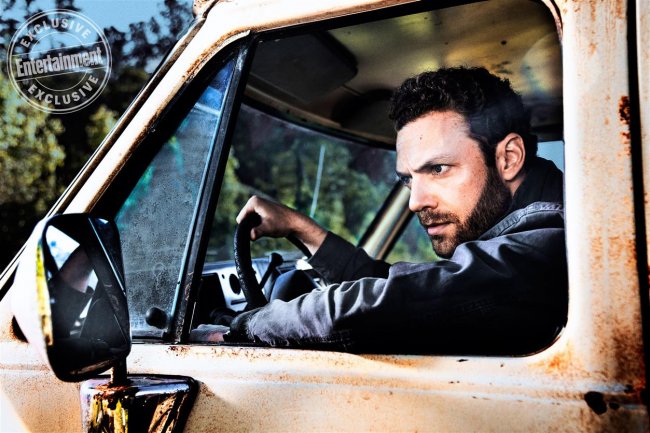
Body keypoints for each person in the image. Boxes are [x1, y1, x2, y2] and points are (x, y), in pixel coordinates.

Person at [207, 66, 567, 354]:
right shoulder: (514, 249)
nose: (415, 202)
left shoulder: (557, 244)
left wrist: (244, 328)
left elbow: (395, 304)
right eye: (408, 179)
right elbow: (415, 290)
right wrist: (302, 229)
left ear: (508, 158)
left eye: (438, 169)